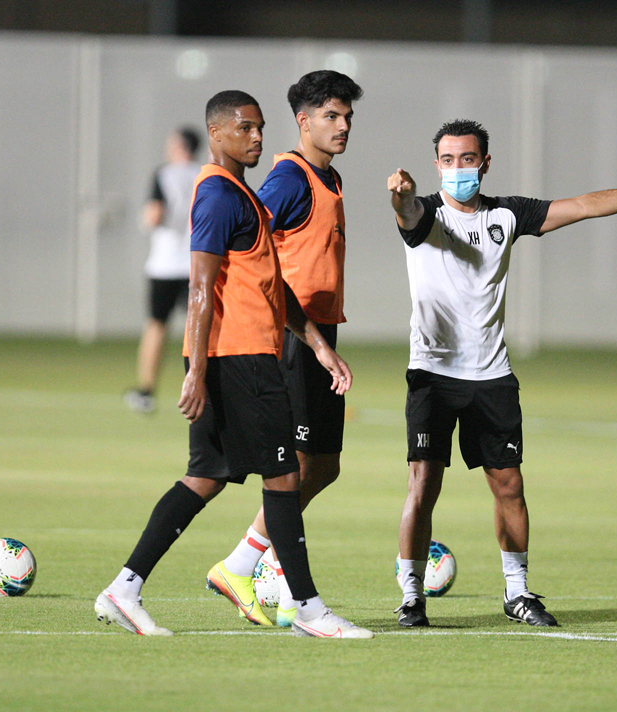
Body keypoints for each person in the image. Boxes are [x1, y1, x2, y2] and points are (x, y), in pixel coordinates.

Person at [387, 119, 617, 628]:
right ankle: (412, 596)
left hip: (491, 373)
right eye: (447, 159)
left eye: (467, 159)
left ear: (484, 163)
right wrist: (402, 196)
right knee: (423, 485)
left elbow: (583, 205)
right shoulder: (426, 214)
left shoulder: (507, 214)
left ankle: (517, 593)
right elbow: (407, 212)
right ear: (435, 164)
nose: (457, 168)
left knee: (509, 486)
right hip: (434, 373)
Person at [95, 90, 372, 640]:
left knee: (204, 478)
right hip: (237, 359)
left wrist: (317, 343)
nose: (256, 137)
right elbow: (200, 289)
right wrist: (196, 369)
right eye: (245, 128)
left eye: (260, 128)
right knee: (284, 475)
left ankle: (122, 589)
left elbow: (272, 287)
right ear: (217, 133)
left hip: (242, 355)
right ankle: (310, 611)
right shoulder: (220, 195)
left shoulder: (242, 194)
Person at [216, 70, 362, 629]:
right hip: (290, 337)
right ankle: (253, 565)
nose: (343, 125)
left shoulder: (329, 177)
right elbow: (247, 243)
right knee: (295, 462)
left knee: (324, 465)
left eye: (347, 116)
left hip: (320, 335)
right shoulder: (289, 179)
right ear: (303, 121)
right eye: (331, 116)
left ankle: (251, 560)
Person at [125, 127, 201, 414]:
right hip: (198, 264)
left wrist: (143, 220)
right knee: (199, 329)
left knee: (156, 325)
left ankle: (146, 391)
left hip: (166, 264)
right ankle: (204, 386)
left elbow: (155, 216)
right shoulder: (205, 174)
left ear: (180, 145)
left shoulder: (165, 174)